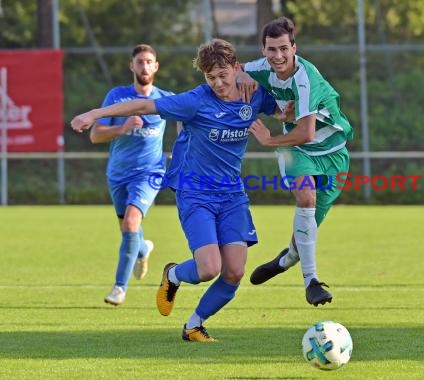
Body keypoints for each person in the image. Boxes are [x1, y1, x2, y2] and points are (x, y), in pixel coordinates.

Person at [71, 38, 282, 342]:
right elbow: (144, 104)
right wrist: (93, 114)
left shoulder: (253, 93)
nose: (219, 83)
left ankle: (194, 324)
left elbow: (286, 105)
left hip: (233, 195)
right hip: (195, 193)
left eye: (224, 75)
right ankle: (173, 275)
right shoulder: (195, 101)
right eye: (211, 78)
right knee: (209, 268)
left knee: (234, 272)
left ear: (236, 68)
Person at [240, 17, 354, 306]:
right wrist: (240, 78)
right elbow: (231, 71)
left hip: (333, 155)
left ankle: (287, 258)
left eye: (283, 49)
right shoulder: (261, 66)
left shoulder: (306, 79)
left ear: (294, 48)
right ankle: (311, 282)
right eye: (271, 49)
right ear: (263, 49)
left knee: (308, 227)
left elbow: (307, 131)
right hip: (296, 151)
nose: (277, 56)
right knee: (306, 198)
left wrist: (267, 140)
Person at [88, 44, 174, 306]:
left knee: (130, 224)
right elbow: (95, 135)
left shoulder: (165, 99)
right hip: (118, 174)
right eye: (140, 62)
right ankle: (143, 248)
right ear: (132, 66)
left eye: (149, 61)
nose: (144, 66)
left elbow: (191, 117)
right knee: (129, 230)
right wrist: (122, 128)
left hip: (150, 173)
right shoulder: (117, 96)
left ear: (156, 66)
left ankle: (119, 288)